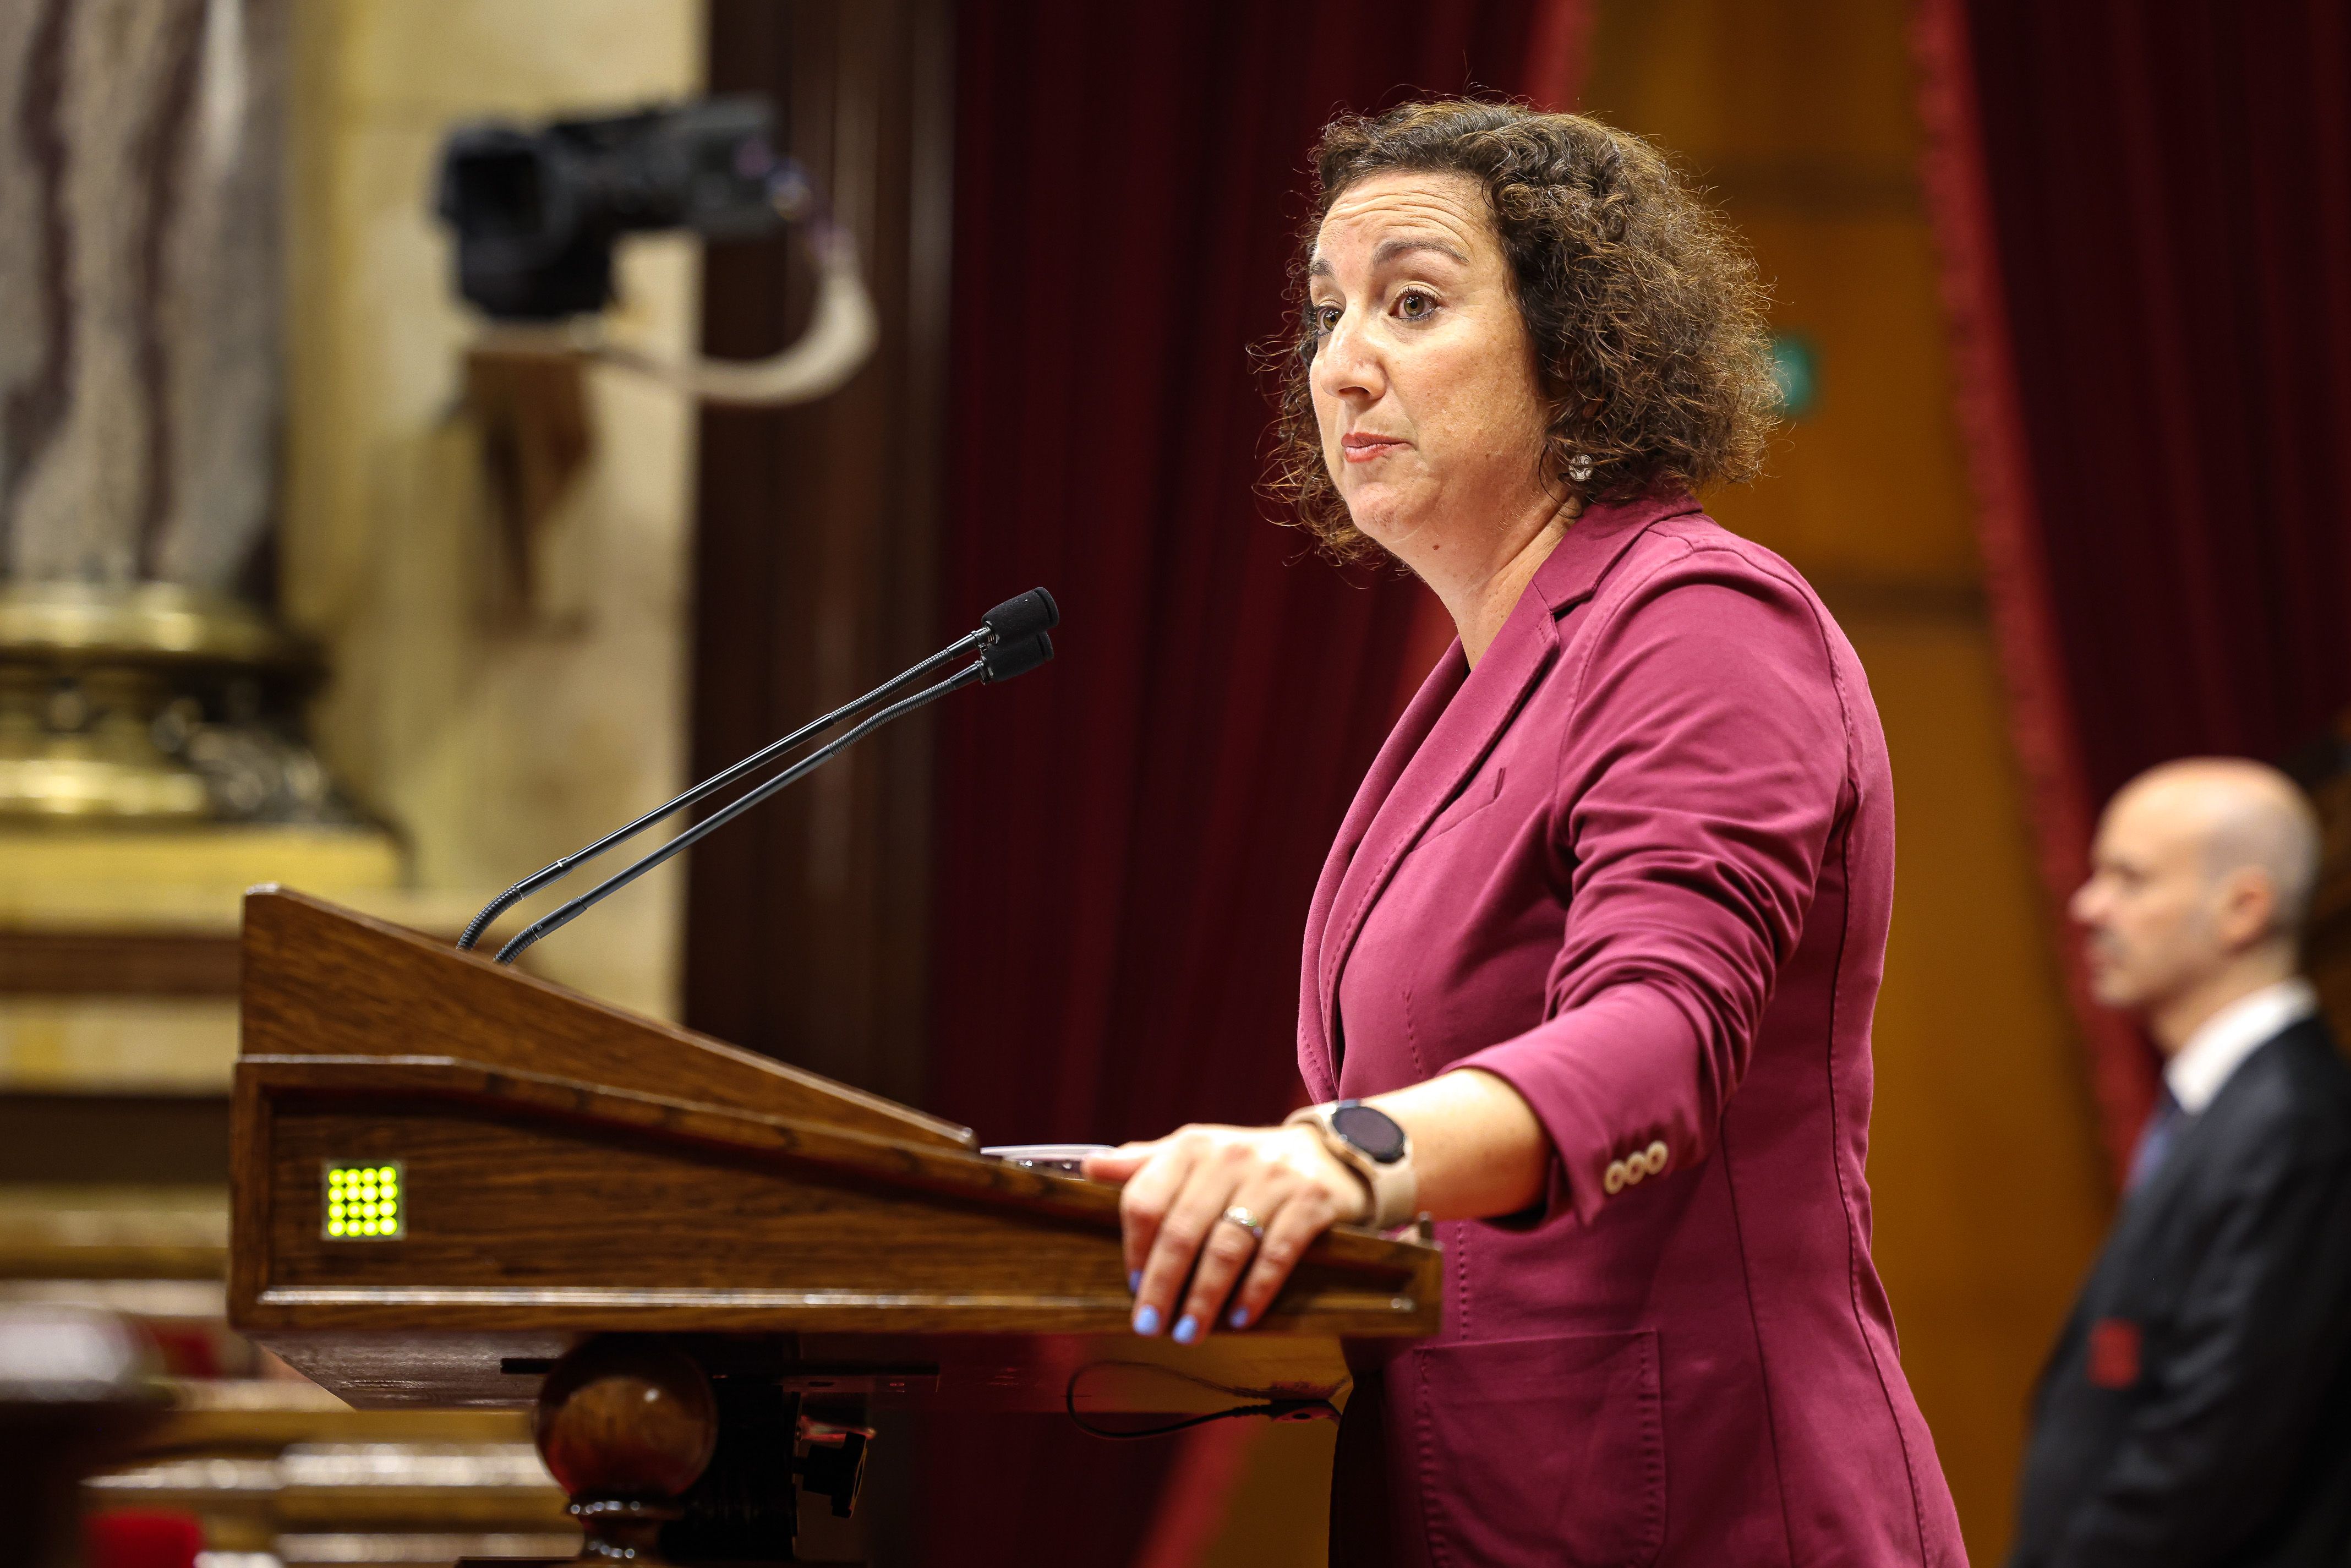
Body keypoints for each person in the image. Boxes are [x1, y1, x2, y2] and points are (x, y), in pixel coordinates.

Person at [1080, 100, 1965, 1565]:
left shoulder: (1699, 619)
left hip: (1709, 1506)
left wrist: (1336, 1154)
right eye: (1325, 314)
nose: (1339, 362)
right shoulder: (1476, 688)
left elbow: (1660, 1035)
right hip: (1490, 1501)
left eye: (1411, 302)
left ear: (1582, 348)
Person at [2008, 760, 2351, 1566]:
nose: (2088, 906)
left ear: (2244, 908)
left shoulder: (2295, 1125)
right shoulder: (2226, 1111)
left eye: (2129, 878)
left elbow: (2218, 1436)